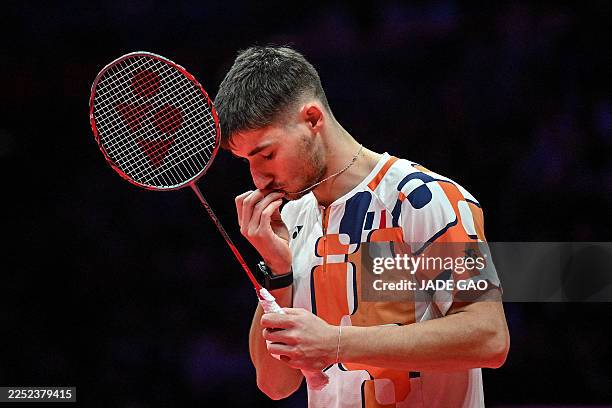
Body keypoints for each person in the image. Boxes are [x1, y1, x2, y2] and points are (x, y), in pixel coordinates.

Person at [214, 45, 509, 408]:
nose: (258, 179)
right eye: (247, 161)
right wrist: (279, 272)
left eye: (267, 155)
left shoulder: (420, 200)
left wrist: (335, 343)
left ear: (312, 119)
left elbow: (489, 338)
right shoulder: (292, 220)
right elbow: (276, 384)